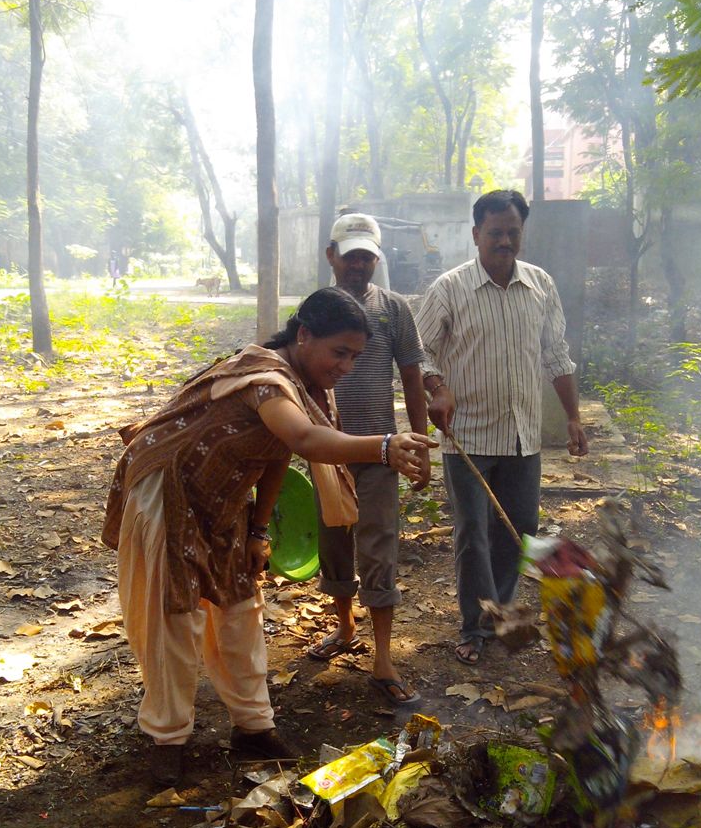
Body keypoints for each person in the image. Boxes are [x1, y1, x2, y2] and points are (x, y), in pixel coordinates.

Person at [101, 288, 435, 784]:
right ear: (304, 335)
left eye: (355, 357)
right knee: (174, 620)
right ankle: (166, 739)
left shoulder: (304, 385)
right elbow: (302, 440)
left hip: (225, 495)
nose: (345, 365)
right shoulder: (267, 379)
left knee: (240, 611)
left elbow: (279, 453)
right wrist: (384, 446)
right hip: (168, 490)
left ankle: (254, 727)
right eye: (338, 352)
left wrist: (259, 528)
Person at [416, 189, 589, 667]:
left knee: (520, 531)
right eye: (496, 233)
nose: (505, 241)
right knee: (472, 532)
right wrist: (437, 388)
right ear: (476, 235)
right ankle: (473, 626)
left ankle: (500, 613)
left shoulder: (540, 286)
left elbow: (557, 355)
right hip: (467, 433)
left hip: (522, 434)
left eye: (514, 232)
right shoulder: (450, 289)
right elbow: (419, 350)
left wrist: (573, 417)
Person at [307, 213, 431, 707]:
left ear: (377, 259)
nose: (359, 264)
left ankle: (383, 658)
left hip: (381, 452)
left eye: (367, 256)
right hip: (328, 451)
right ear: (331, 256)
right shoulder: (315, 310)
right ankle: (344, 628)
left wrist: (418, 445)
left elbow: (412, 376)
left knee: (379, 547)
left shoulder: (393, 309)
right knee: (334, 542)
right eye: (350, 254)